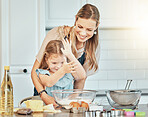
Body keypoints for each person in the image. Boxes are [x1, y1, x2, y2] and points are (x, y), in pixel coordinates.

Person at [31, 3, 100, 106]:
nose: (83, 33)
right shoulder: (57, 34)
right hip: (44, 97)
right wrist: (44, 95)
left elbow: (81, 79)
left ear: (97, 26)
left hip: (65, 101)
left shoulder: (92, 45)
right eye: (80, 26)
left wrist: (73, 101)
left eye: (89, 30)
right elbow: (34, 72)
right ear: (76, 19)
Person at [35, 40, 85, 107]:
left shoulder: (68, 71)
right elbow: (49, 83)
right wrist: (63, 70)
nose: (58, 66)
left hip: (68, 108)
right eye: (54, 63)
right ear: (46, 60)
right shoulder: (43, 73)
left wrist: (70, 55)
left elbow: (82, 76)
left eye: (62, 62)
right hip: (50, 109)